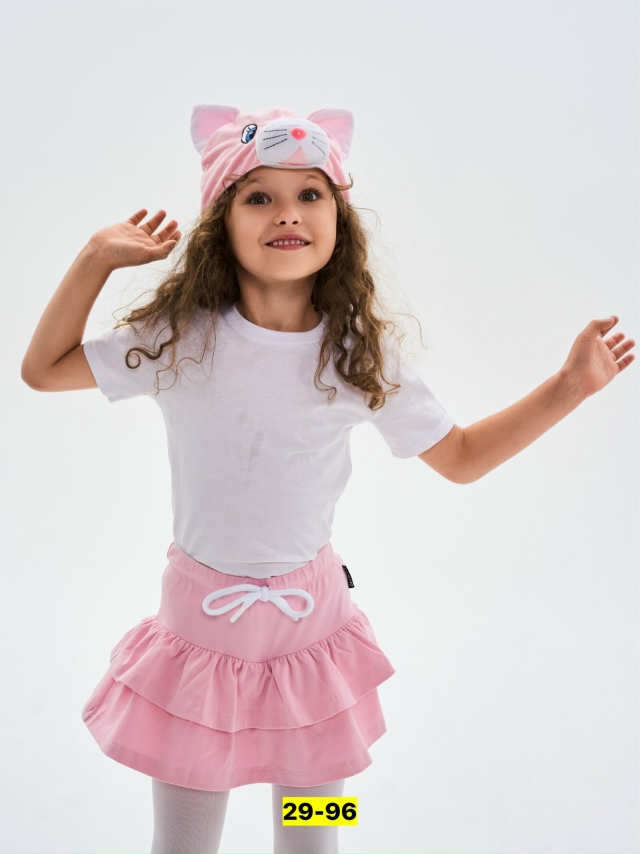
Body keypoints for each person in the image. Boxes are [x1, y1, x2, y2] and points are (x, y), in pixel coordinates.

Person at [21, 105, 635, 854]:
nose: (288, 212)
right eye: (259, 196)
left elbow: (463, 457)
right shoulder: (179, 340)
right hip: (198, 639)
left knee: (314, 836)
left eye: (310, 194)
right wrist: (94, 259)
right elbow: (44, 371)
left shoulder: (357, 357)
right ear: (221, 225)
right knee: (183, 844)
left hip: (314, 644)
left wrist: (568, 389)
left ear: (339, 219)